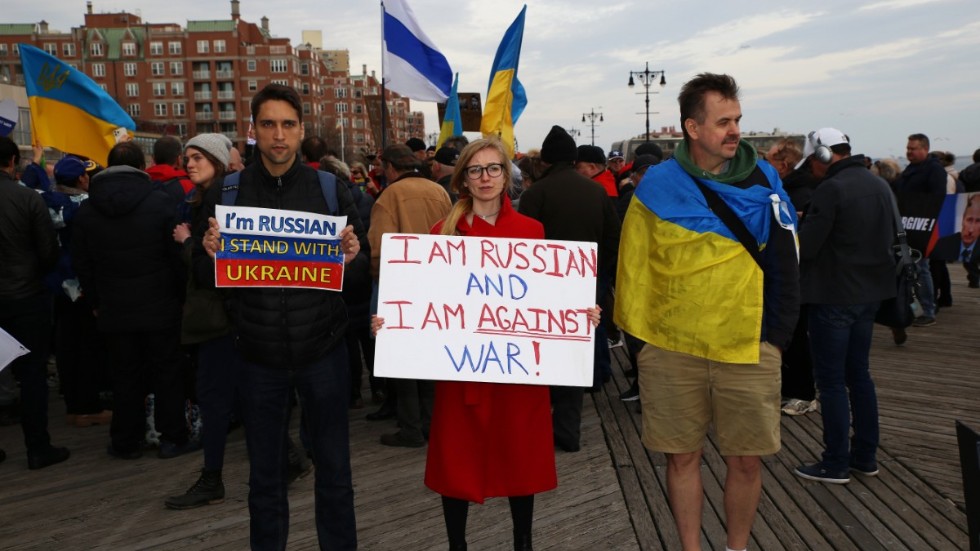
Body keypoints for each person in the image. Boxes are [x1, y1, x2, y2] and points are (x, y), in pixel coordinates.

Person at [373, 138, 601, 551]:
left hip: (516, 375)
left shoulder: (532, 231)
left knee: (520, 463)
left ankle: (523, 543)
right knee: (456, 465)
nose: (485, 177)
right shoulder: (441, 234)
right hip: (462, 374)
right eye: (476, 170)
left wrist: (580, 315)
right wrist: (393, 321)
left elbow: (546, 298)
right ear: (463, 178)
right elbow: (423, 301)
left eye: (493, 168)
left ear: (506, 175)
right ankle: (457, 545)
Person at [614, 73, 799, 551]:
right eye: (723, 122)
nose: (734, 130)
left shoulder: (764, 179)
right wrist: (645, 342)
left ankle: (737, 548)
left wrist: (774, 336)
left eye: (737, 119)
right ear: (693, 128)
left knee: (746, 461)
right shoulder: (658, 185)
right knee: (682, 459)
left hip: (748, 345)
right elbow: (634, 265)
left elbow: (785, 262)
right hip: (674, 348)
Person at [198, 83, 365, 550]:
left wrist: (353, 259)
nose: (278, 135)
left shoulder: (331, 190)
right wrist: (208, 253)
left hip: (324, 352)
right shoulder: (226, 193)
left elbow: (360, 275)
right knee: (265, 478)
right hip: (256, 354)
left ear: (301, 130)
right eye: (268, 124)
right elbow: (200, 274)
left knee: (334, 472)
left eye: (287, 125)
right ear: (252, 130)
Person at [72, 141, 195, 461]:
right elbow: (175, 258)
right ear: (142, 167)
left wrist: (95, 301)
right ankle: (172, 437)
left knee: (124, 375)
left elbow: (83, 265)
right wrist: (180, 298)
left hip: (114, 307)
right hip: (160, 304)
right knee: (167, 371)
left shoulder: (87, 211)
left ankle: (126, 440)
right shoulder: (161, 203)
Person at [792, 128, 896, 484]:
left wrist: (798, 229)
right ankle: (865, 456)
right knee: (860, 377)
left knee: (832, 383)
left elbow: (805, 249)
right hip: (870, 296)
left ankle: (835, 462)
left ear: (823, 155)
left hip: (834, 296)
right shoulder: (878, 184)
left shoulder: (832, 189)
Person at [518, 126, 621, 453]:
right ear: (574, 158)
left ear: (546, 160)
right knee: (575, 352)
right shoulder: (596, 192)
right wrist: (598, 274)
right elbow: (612, 238)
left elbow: (523, 247)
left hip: (543, 287)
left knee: (542, 354)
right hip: (585, 282)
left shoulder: (535, 194)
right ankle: (568, 431)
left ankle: (540, 423)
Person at [165, 134, 237, 510]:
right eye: (186, 158)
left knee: (214, 395)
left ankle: (212, 478)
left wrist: (188, 242)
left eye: (197, 157)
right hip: (223, 316)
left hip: (219, 318)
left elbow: (215, 271)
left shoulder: (217, 202)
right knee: (235, 393)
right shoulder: (212, 197)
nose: (189, 164)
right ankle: (289, 459)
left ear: (217, 159)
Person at [366, 143, 452, 446]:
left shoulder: (389, 196)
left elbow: (378, 251)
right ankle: (432, 423)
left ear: (390, 168)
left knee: (403, 360)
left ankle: (411, 428)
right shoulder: (438, 191)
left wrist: (378, 280)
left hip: (401, 288)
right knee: (430, 359)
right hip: (438, 285)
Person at [0, 136, 70, 470]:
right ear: (12, 162)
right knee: (32, 374)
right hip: (26, 297)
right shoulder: (27, 198)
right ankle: (37, 447)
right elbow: (48, 251)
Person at [767, 138, 820, 415]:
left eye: (770, 160)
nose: (766, 164)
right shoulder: (792, 188)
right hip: (792, 276)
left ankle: (804, 393)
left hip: (798, 278)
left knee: (798, 336)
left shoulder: (799, 192)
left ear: (784, 165)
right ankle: (792, 388)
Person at [895, 133, 946, 327]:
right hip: (907, 226)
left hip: (922, 227)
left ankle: (928, 310)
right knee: (910, 269)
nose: (909, 152)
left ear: (925, 149)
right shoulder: (911, 169)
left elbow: (937, 199)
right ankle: (914, 308)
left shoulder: (934, 170)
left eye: (913, 148)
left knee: (921, 268)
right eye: (908, 148)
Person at [933, 194, 980, 288]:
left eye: (978, 221)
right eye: (969, 220)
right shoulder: (945, 242)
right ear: (963, 220)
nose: (971, 229)